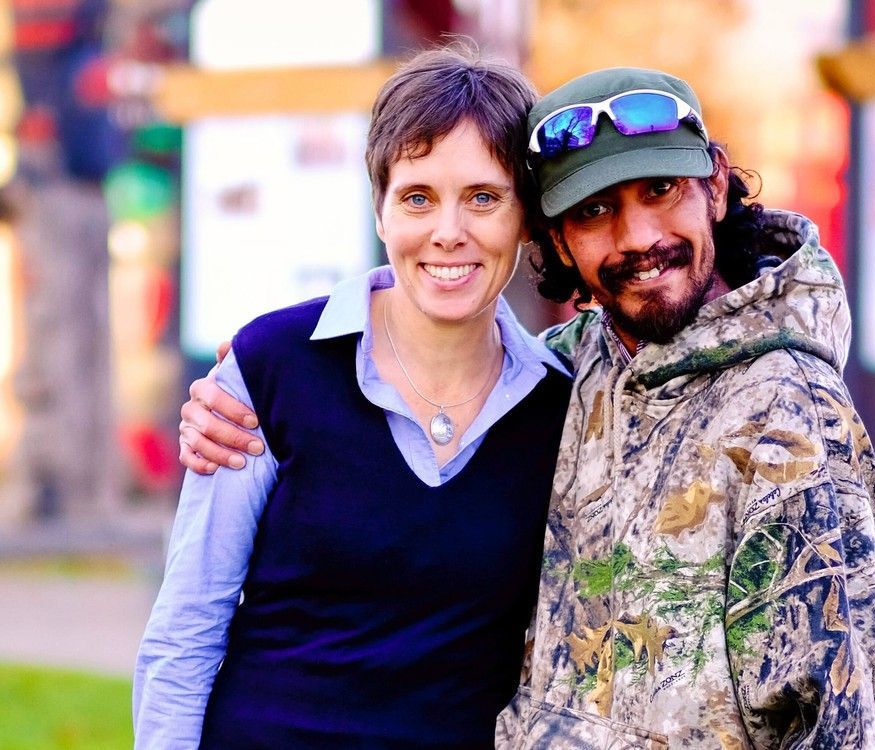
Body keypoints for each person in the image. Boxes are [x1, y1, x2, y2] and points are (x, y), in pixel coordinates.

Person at [179, 67, 875, 748]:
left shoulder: (792, 414)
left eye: (662, 190)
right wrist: (248, 383)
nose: (639, 238)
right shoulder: (574, 370)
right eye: (595, 212)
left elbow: (837, 720)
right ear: (554, 238)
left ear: (715, 182)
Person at [133, 43, 572, 749]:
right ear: (380, 209)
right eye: (418, 197)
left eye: (483, 198)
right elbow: (186, 629)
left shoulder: (562, 409)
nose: (448, 232)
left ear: (525, 215)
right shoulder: (272, 366)